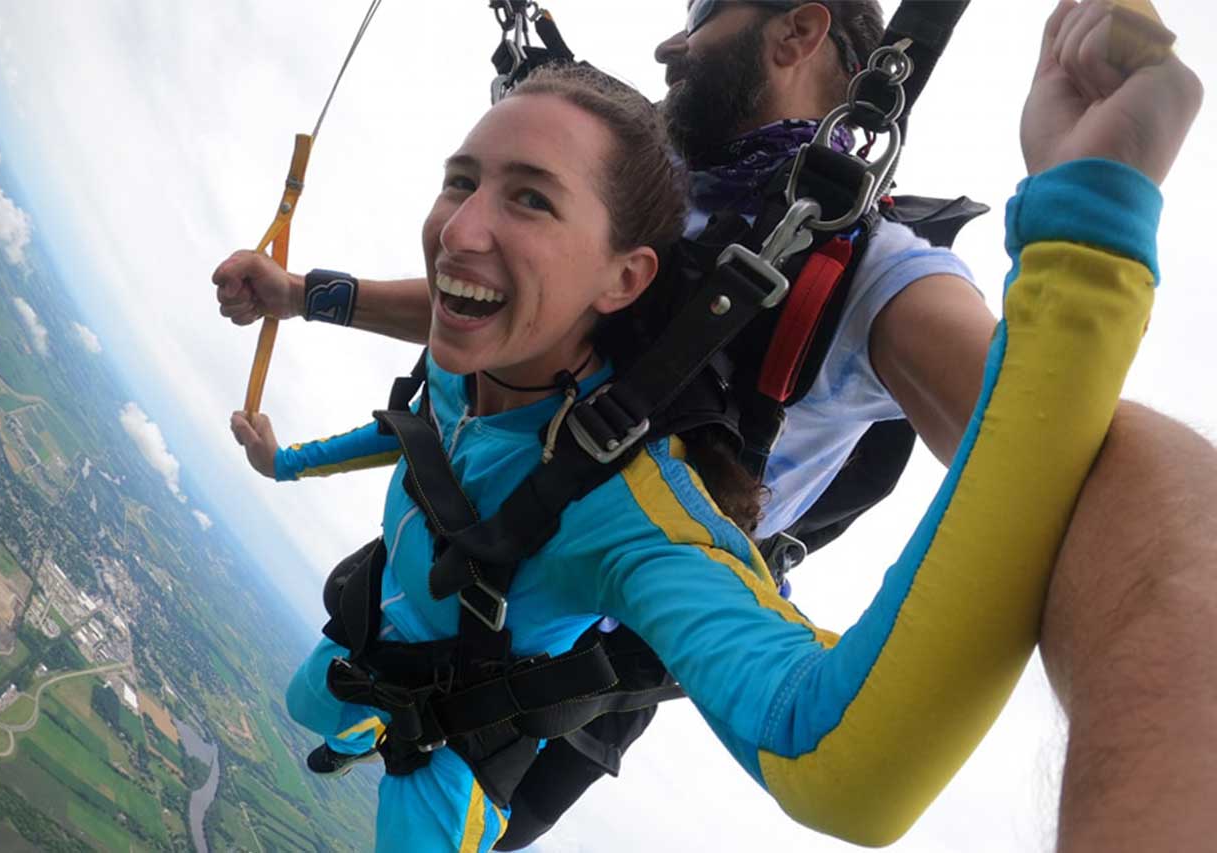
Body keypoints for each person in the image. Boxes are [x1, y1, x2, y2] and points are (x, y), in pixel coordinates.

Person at [214, 2, 1210, 851]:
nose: (667, 48)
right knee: (346, 670)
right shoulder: (654, 189)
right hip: (471, 519)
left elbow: (1078, 473)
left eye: (700, 15)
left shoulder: (874, 274)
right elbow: (496, 307)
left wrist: (1088, 221)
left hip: (593, 612)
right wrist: (308, 294)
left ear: (796, 32)